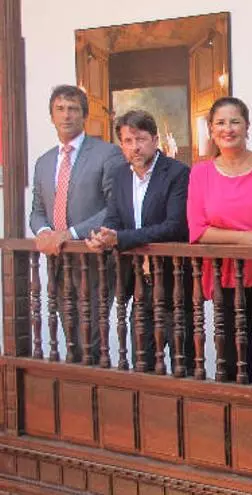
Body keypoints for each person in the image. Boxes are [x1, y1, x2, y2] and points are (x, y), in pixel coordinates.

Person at [86, 110, 194, 375]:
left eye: (141, 139)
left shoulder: (177, 173)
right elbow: (113, 219)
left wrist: (121, 238)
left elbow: (175, 226)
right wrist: (102, 236)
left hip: (174, 286)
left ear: (155, 140)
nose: (135, 147)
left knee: (185, 368)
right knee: (142, 365)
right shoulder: (120, 176)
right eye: (128, 141)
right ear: (121, 145)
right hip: (138, 285)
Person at [187, 97, 252, 385]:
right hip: (227, 278)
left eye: (234, 121)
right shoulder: (201, 172)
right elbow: (197, 230)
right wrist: (245, 239)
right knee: (232, 363)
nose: (227, 129)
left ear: (247, 126)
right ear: (211, 129)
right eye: (220, 122)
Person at [29, 85, 126, 364]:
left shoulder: (107, 153)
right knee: (71, 337)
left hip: (94, 261)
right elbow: (37, 211)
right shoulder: (44, 162)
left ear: (84, 115)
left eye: (73, 109)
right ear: (51, 116)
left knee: (92, 338)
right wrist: (45, 232)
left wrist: (69, 234)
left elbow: (115, 207)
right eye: (60, 109)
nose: (66, 115)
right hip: (59, 262)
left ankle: (96, 388)